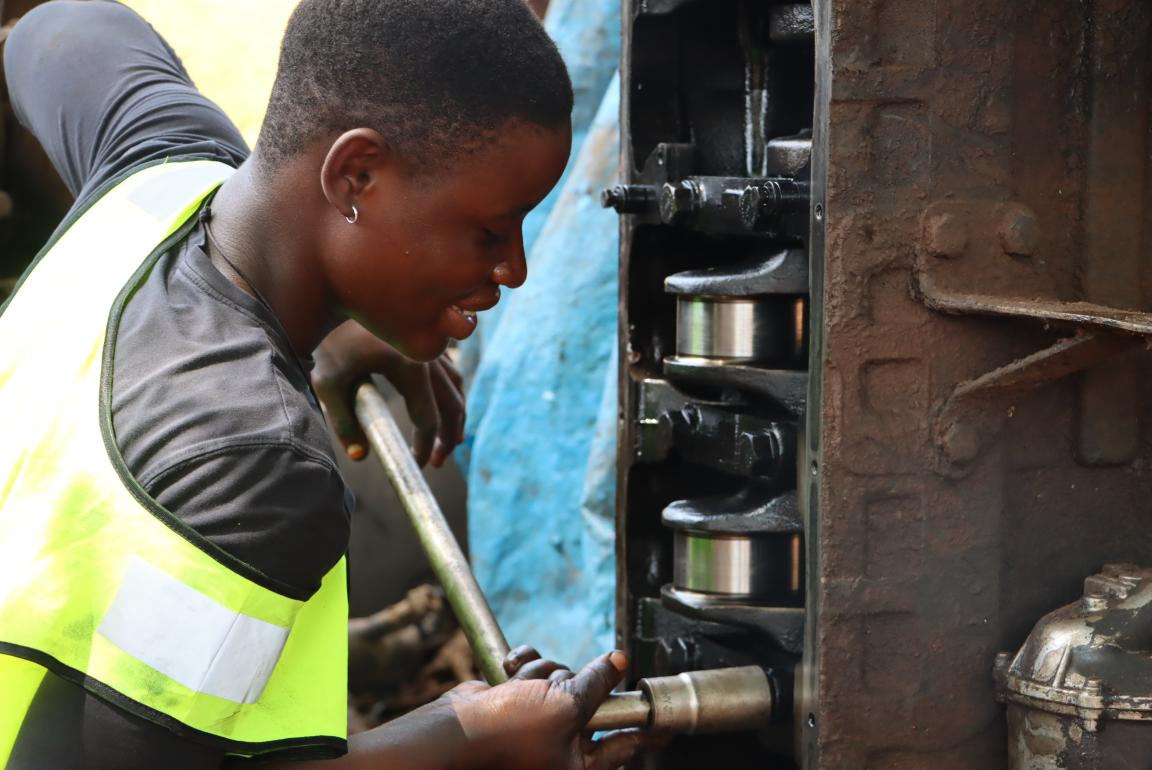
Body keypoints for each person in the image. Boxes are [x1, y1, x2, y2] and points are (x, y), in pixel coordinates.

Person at [0, 1, 647, 768]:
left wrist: (326, 318)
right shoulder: (258, 463)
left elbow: (56, 31)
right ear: (356, 175)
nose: (514, 269)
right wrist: (463, 742)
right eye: (488, 231)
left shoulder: (161, 170)